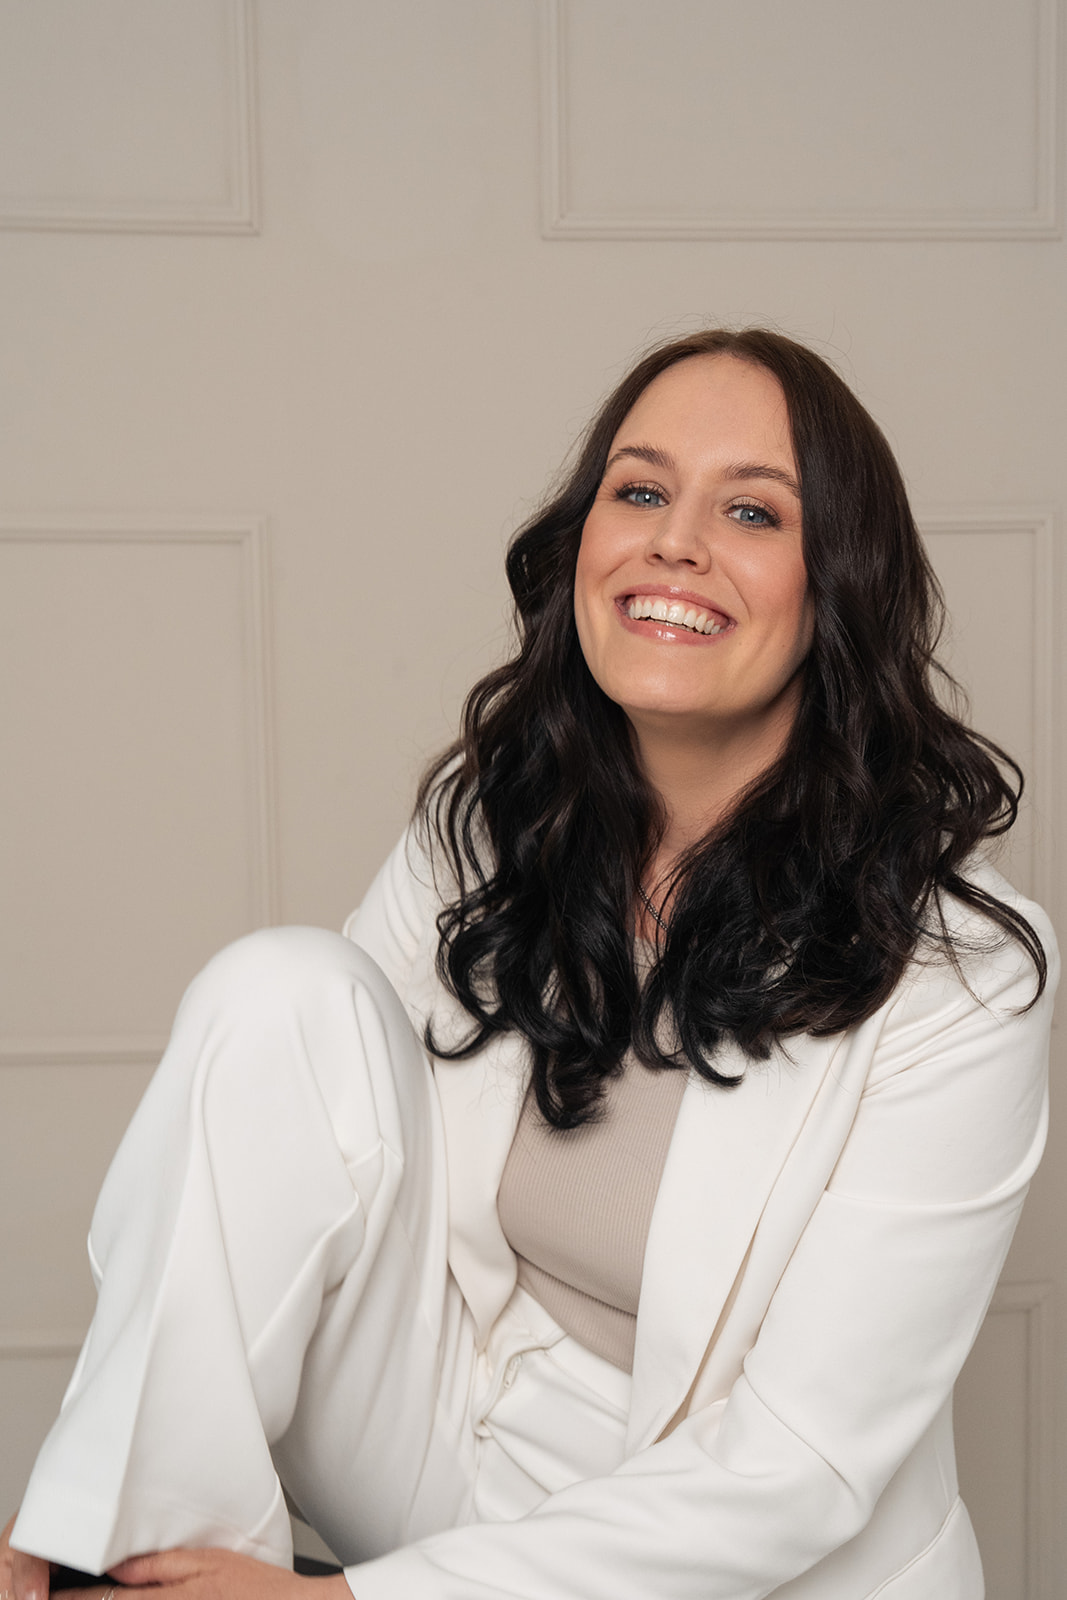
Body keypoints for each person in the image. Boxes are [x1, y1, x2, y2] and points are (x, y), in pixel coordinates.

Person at [1, 329, 1057, 1600]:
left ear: (839, 585)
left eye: (750, 510)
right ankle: (116, 1557)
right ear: (582, 544)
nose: (674, 542)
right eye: (640, 489)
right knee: (276, 993)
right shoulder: (497, 817)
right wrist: (87, 1490)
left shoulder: (960, 972)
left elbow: (798, 1465)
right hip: (455, 1438)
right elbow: (287, 1155)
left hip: (746, 1550)